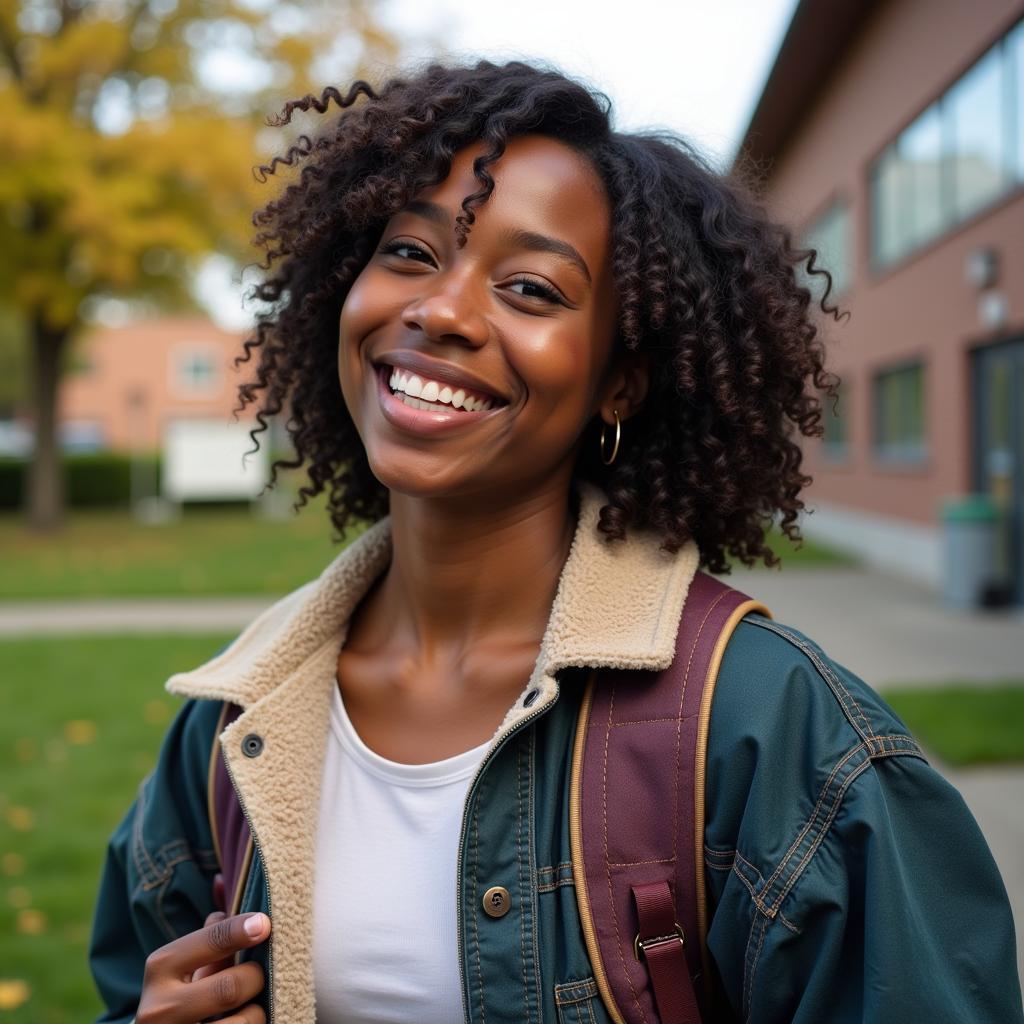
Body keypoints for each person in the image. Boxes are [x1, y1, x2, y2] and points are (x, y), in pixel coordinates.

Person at [90, 60, 1023, 1024]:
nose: (440, 311)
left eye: (530, 288)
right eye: (409, 252)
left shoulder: (776, 734)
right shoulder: (230, 727)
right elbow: (127, 986)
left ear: (620, 381)